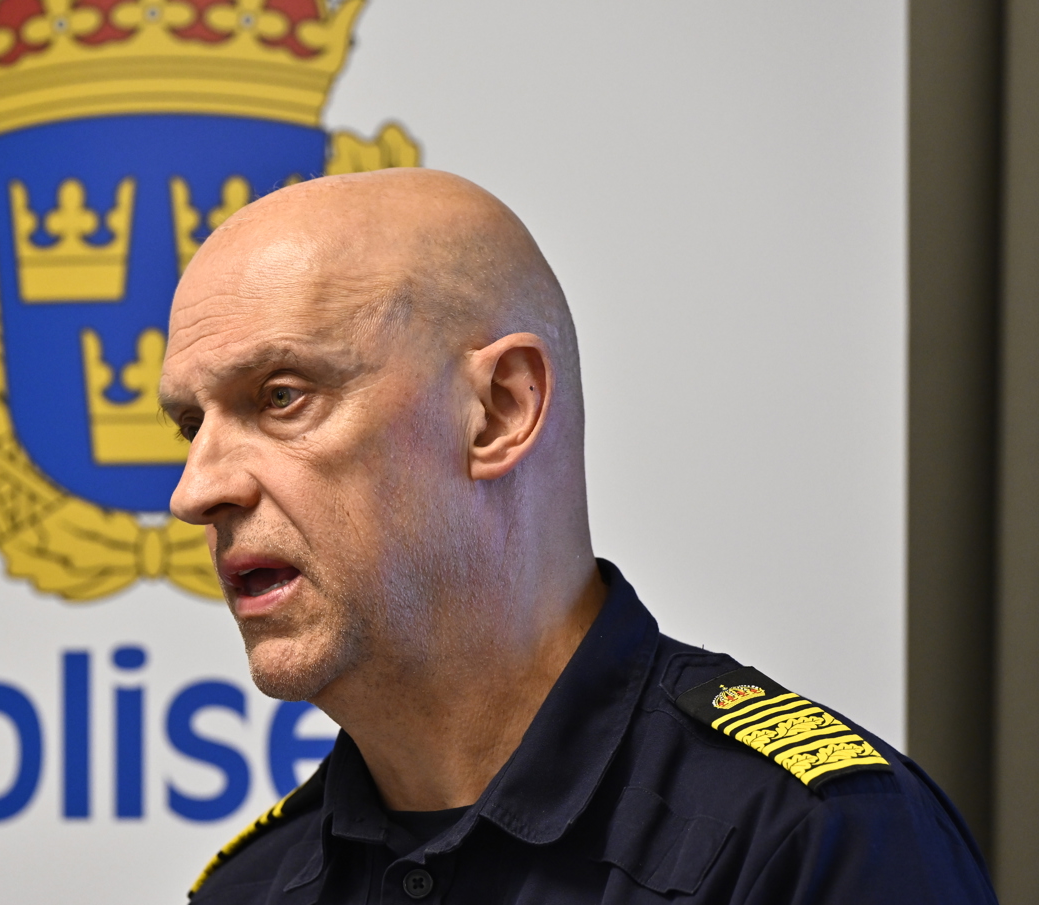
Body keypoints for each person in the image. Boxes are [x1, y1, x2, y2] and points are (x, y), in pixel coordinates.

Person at [157, 169, 996, 904]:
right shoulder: (249, 887)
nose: (196, 490)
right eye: (192, 424)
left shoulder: (803, 841)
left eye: (282, 397)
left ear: (500, 410)